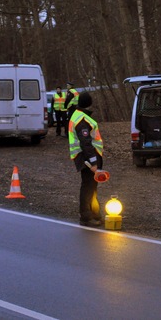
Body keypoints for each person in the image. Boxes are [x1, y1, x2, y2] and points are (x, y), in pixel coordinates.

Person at [68, 92, 104, 227]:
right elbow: (86, 143)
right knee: (88, 186)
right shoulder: (82, 120)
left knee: (92, 186)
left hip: (87, 155)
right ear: (89, 103)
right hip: (86, 157)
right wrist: (93, 163)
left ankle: (95, 213)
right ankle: (86, 216)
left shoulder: (79, 115)